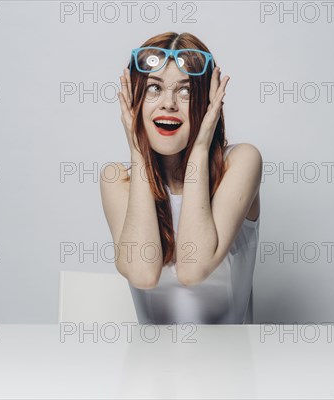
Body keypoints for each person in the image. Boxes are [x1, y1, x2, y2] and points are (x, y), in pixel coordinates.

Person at [100, 32, 262, 324]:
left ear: (208, 101)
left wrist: (200, 148)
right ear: (134, 101)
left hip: (229, 366)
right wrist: (138, 152)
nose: (169, 104)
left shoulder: (241, 162)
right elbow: (143, 274)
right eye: (153, 89)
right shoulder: (117, 180)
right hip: (147, 366)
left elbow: (192, 268)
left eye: (186, 92)